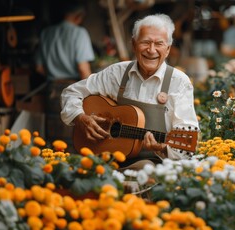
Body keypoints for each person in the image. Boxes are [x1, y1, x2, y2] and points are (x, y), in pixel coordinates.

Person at [60, 14, 199, 170]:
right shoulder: (117, 73)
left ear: (167, 49)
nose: (151, 50)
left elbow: (187, 145)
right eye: (145, 42)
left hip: (151, 165)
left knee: (144, 168)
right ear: (134, 44)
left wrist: (161, 147)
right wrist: (80, 118)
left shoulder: (179, 82)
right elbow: (71, 92)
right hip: (105, 158)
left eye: (159, 44)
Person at [34, 1, 95, 151]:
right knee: (73, 140)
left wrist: (55, 73)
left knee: (53, 139)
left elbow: (39, 68)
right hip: (74, 90)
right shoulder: (79, 33)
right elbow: (83, 69)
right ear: (79, 16)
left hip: (52, 89)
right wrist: (94, 93)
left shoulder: (46, 33)